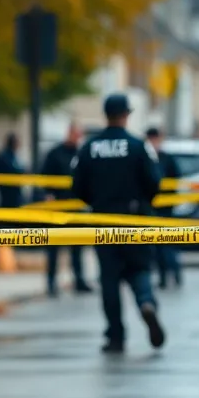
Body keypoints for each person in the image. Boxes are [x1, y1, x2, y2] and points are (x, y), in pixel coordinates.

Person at [71, 93, 166, 354]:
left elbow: (77, 186)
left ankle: (116, 336)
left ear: (106, 115)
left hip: (103, 223)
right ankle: (146, 303)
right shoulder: (138, 146)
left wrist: (98, 201)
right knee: (140, 271)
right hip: (136, 221)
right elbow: (154, 182)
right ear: (126, 115)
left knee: (109, 280)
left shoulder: (90, 147)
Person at [39, 121, 92, 296]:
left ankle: (79, 280)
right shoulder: (55, 154)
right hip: (58, 208)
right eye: (76, 134)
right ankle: (51, 282)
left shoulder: (82, 154)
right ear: (69, 133)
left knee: (77, 247)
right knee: (53, 248)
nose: (78, 138)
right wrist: (48, 194)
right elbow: (45, 177)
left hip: (76, 208)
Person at [145, 127, 183, 289]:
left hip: (167, 209)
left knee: (168, 243)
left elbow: (176, 179)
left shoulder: (167, 159)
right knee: (157, 245)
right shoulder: (147, 158)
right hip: (153, 209)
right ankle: (162, 277)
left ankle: (175, 273)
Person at [0, 132, 27, 209]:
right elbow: (13, 170)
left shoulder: (13, 155)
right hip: (8, 192)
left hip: (15, 191)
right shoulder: (4, 156)